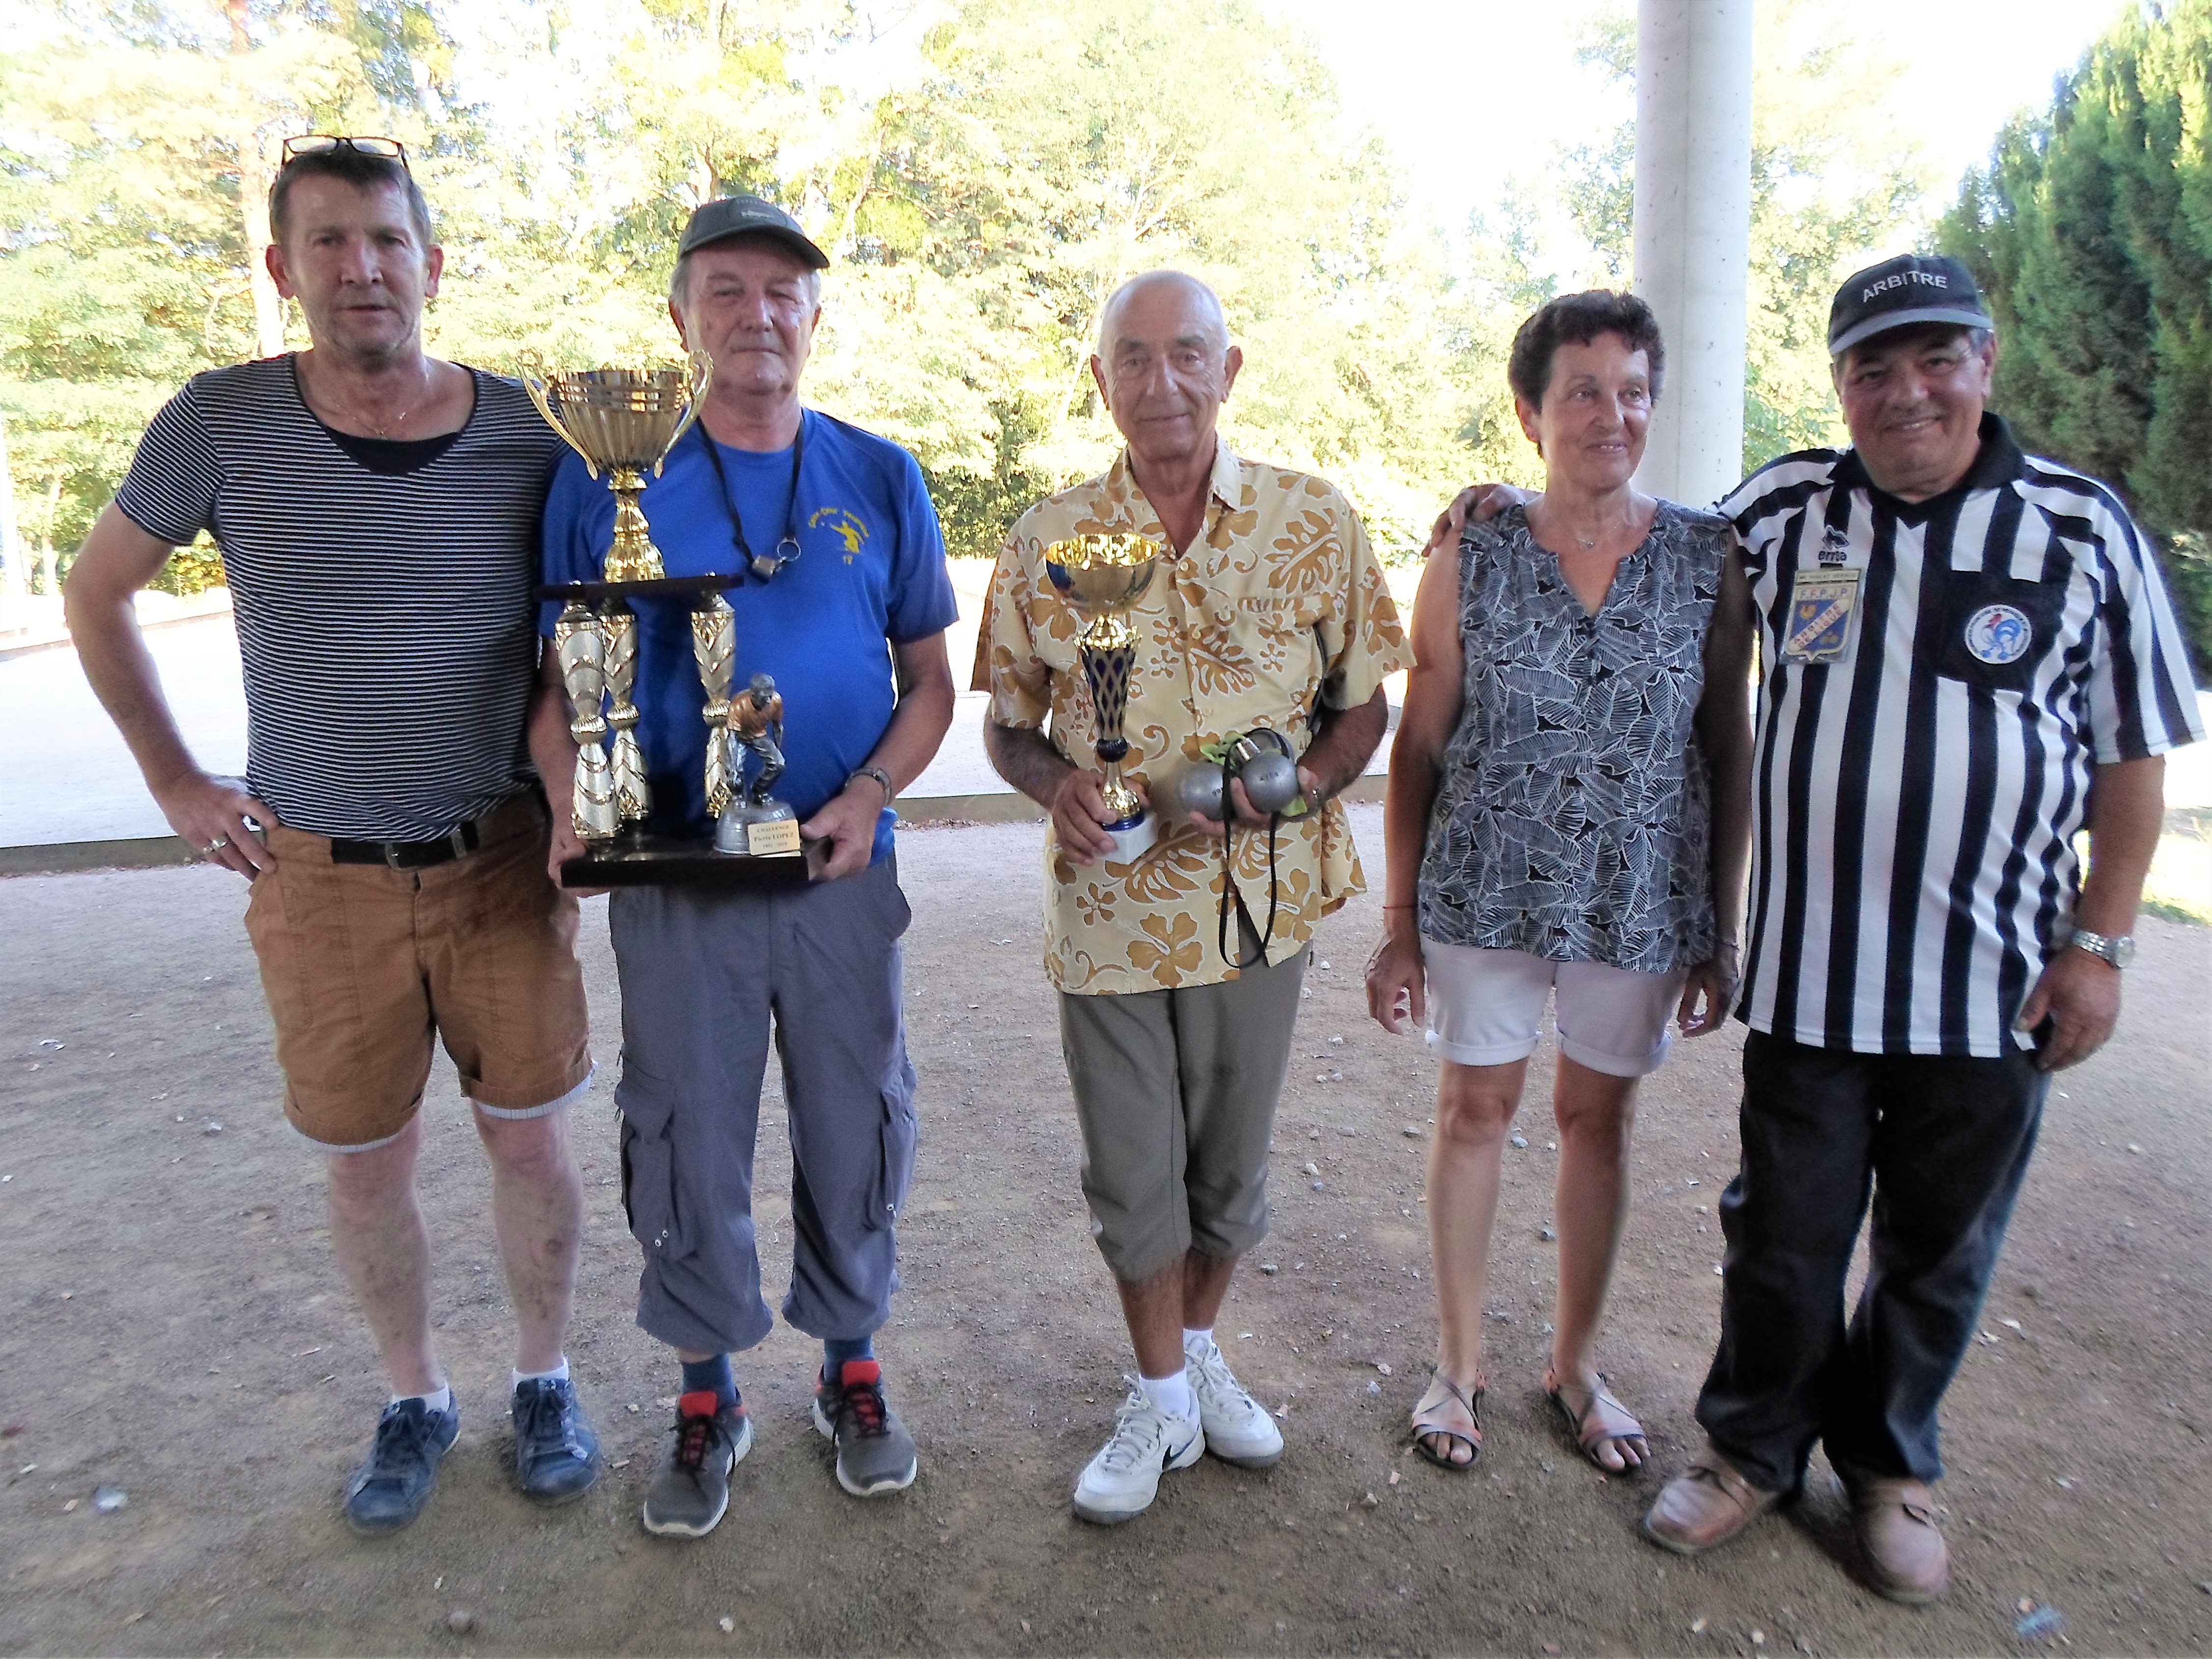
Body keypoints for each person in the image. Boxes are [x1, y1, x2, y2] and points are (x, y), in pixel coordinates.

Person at [1440, 254, 2203, 1603]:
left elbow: (2132, 754)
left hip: (1995, 982)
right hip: (1811, 979)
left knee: (1937, 1243)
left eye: (1932, 356)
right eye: (1870, 366)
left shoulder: (2081, 527)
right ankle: (1748, 1451)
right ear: (1839, 385)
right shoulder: (1785, 508)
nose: (1903, 389)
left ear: (1984, 359)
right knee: (1781, 1235)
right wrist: (1501, 503)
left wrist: (2102, 945)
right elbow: (1627, 516)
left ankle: (1890, 1466)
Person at [65, 136, 602, 1535]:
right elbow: (98, 590)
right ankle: (413, 1394)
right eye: (328, 242)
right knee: (366, 1161)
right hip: (318, 877)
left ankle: (544, 1375)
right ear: (282, 267)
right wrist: (176, 777)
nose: (362, 267)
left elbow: (570, 656)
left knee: (532, 1144)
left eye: (385, 238)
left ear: (433, 258)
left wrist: (581, 804)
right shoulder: (217, 424)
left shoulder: (528, 435)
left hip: (497, 859)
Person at [533, 194, 958, 1539]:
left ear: (815, 319)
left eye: (782, 292)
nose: (755, 313)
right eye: (724, 289)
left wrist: (870, 796)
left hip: (839, 870)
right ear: (679, 318)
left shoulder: (881, 473)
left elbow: (931, 684)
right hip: (675, 884)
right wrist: (570, 810)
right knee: (684, 1134)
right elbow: (559, 681)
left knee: (855, 1120)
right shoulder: (598, 472)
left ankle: (852, 1371)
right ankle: (708, 1392)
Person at [979, 270, 1408, 1524]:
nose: (1159, 381)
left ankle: (1196, 1351)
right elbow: (1007, 724)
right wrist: (1056, 783)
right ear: (1099, 376)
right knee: (1132, 1172)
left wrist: (1304, 787)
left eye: (1186, 356)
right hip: (1109, 914)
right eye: (1133, 357)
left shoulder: (1312, 520)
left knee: (1228, 1177)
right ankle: (1162, 1395)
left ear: (1229, 371)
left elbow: (1365, 700)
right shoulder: (1045, 535)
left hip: (1254, 907)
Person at [1365, 292, 1752, 1477]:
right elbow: (1421, 742)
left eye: (1632, 390)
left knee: (1600, 1122)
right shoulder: (1469, 548)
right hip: (1482, 889)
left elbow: (1723, 746)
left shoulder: (1706, 555)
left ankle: (1576, 1363)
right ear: (1529, 414)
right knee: (1473, 1111)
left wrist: (1718, 928)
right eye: (1582, 390)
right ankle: (1458, 1364)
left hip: (1636, 899)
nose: (1611, 414)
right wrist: (1395, 922)